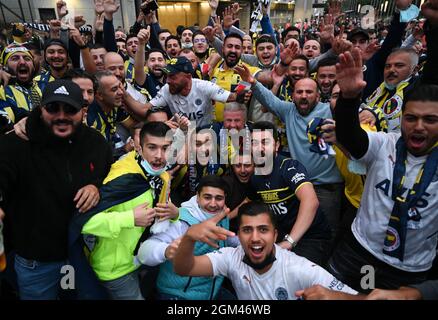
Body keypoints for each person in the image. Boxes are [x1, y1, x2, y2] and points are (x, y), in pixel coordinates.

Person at [330, 45, 438, 291]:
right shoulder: (386, 144)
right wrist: (348, 100)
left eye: (430, 120)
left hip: (409, 270)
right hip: (360, 253)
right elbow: (350, 138)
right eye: (411, 118)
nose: (419, 127)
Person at [0, 80, 113, 299]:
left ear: (83, 111)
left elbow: (109, 176)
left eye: (70, 109)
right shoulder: (15, 143)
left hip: (84, 256)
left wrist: (95, 186)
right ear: (41, 109)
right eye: (53, 108)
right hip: (37, 261)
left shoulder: (96, 143)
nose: (61, 116)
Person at [235, 64, 344, 242]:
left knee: (327, 235)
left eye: (309, 92)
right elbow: (269, 100)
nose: (303, 96)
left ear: (318, 95)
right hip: (296, 186)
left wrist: (368, 113)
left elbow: (355, 115)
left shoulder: (331, 110)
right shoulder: (288, 111)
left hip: (327, 189)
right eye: (299, 92)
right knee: (299, 231)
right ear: (292, 95)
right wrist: (253, 83)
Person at [173, 201, 357, 300]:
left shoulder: (301, 269)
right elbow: (185, 269)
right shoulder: (231, 257)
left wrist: (337, 296)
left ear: (275, 235)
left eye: (263, 229)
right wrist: (189, 238)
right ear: (238, 235)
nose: (254, 238)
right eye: (247, 230)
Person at [76, 121, 177, 300]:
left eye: (165, 148)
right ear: (139, 147)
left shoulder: (161, 176)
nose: (159, 156)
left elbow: (164, 213)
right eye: (152, 147)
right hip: (114, 270)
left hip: (139, 260)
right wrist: (130, 218)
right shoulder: (122, 177)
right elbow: (83, 222)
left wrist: (175, 214)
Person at [137, 175, 235, 300]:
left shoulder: (222, 215)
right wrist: (167, 250)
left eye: (219, 198)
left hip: (211, 291)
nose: (213, 204)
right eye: (207, 197)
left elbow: (226, 239)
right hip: (177, 294)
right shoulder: (181, 219)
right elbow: (144, 252)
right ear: (198, 197)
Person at [249, 121, 331, 265]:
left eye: (265, 142)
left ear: (276, 145)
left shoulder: (289, 167)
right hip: (281, 235)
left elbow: (310, 201)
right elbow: (251, 203)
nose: (259, 148)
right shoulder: (255, 175)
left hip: (310, 237)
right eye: (254, 143)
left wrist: (289, 241)